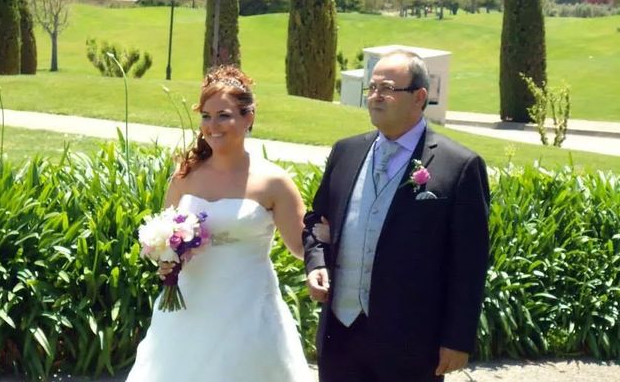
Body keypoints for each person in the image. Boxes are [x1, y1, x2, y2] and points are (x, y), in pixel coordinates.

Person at [304, 51, 490, 382]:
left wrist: (456, 339)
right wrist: (317, 262)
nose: (375, 96)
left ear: (420, 96)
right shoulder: (345, 152)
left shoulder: (459, 165)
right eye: (371, 87)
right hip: (340, 335)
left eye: (387, 87)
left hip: (411, 343)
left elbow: (469, 264)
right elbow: (317, 223)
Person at [127, 65, 312, 381]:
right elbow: (167, 237)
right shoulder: (185, 176)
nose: (212, 126)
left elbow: (301, 247)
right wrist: (166, 261)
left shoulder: (274, 182)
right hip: (190, 307)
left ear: (248, 117)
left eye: (224, 115)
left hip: (250, 310)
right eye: (206, 116)